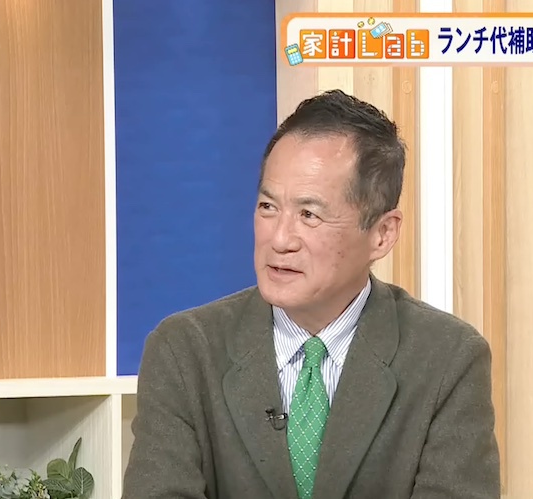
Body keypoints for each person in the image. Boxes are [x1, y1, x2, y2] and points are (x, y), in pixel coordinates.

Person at [122, 89, 501, 499]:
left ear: (382, 234)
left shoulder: (447, 359)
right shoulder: (184, 352)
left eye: (309, 214)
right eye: (268, 207)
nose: (280, 239)